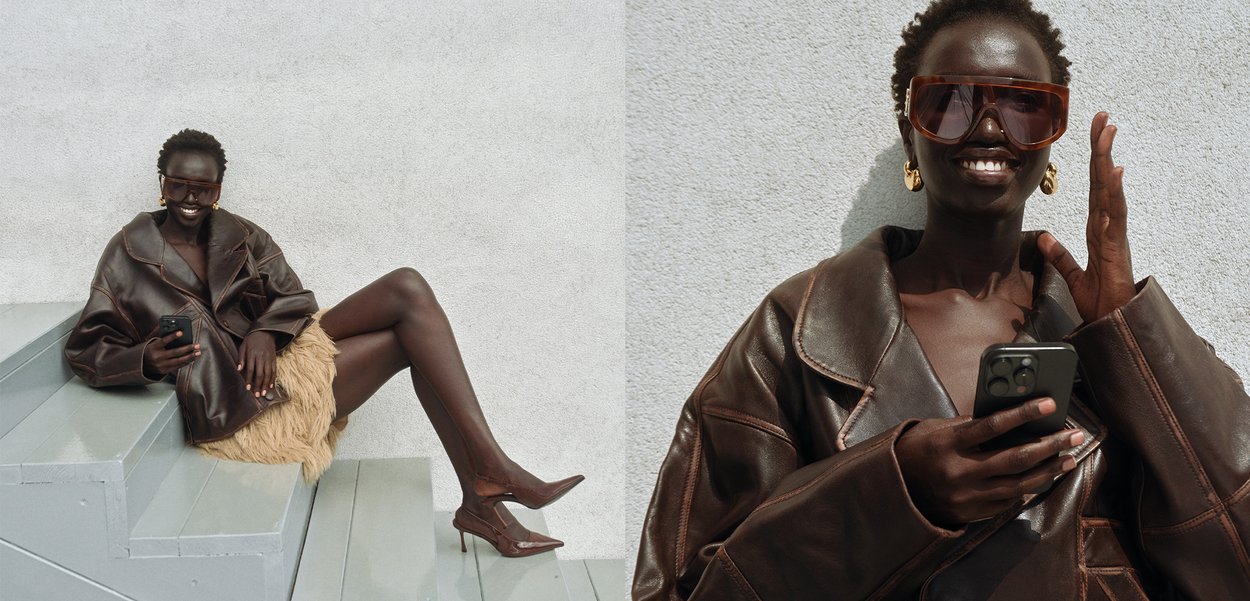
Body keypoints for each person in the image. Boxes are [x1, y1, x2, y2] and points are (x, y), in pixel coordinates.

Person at [634, 0, 1250, 598]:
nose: (989, 127)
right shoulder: (797, 330)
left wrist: (1129, 335)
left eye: (1024, 105)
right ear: (911, 134)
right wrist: (898, 492)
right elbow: (688, 588)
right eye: (951, 101)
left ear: (1050, 139)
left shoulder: (1114, 335)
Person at [64, 129, 583, 558]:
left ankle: (488, 478)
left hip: (280, 357)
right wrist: (145, 359)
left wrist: (266, 331)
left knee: (407, 285)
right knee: (412, 341)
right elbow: (87, 349)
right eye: (178, 185)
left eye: (204, 187)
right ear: (161, 182)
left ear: (219, 189)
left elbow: (293, 296)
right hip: (240, 401)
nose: (190, 198)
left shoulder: (239, 234)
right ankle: (487, 487)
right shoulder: (127, 253)